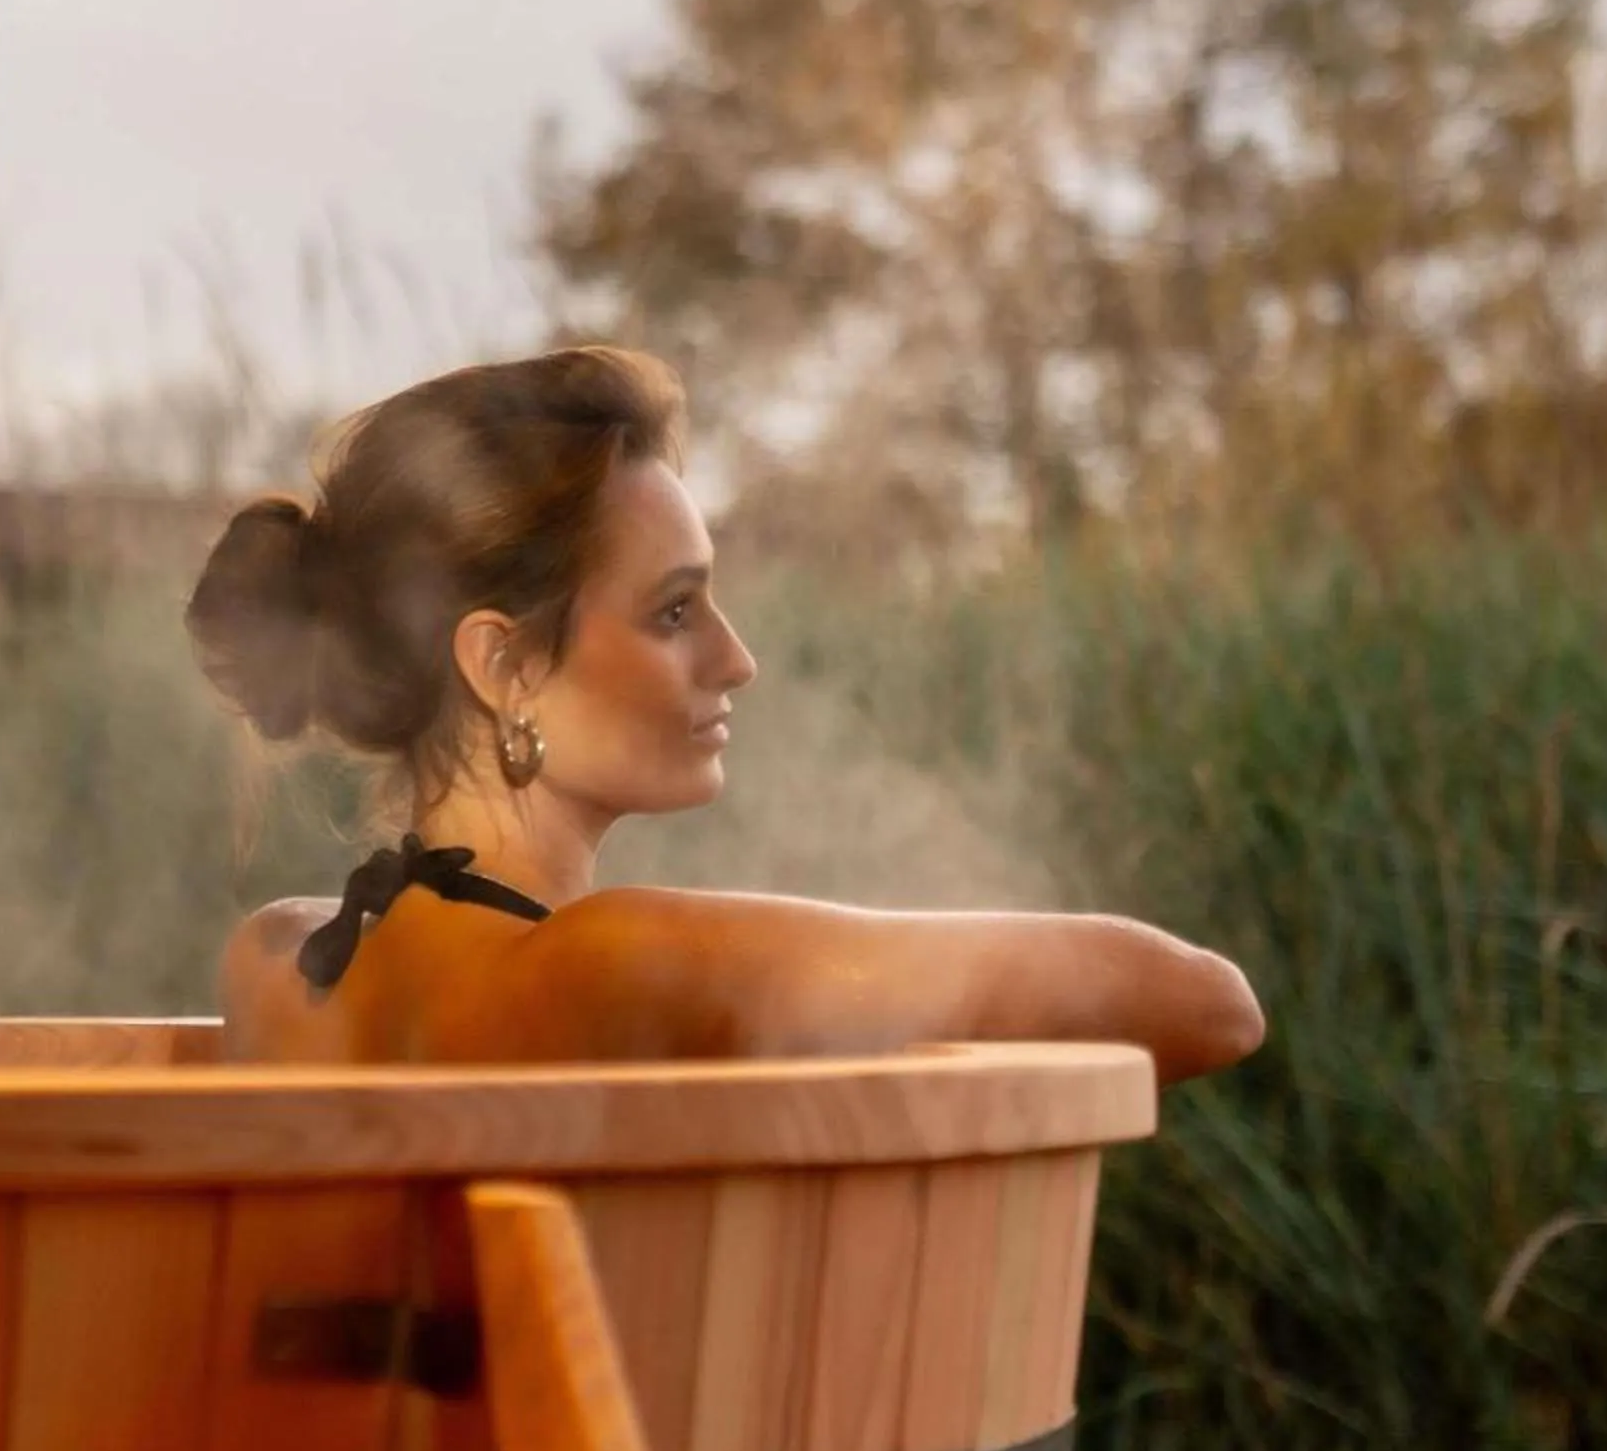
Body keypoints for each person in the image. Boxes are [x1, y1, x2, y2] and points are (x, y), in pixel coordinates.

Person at [181, 346, 1264, 1078]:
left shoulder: (274, 967)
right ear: (502, 663)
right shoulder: (614, 964)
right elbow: (1210, 1004)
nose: (736, 659)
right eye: (675, 611)